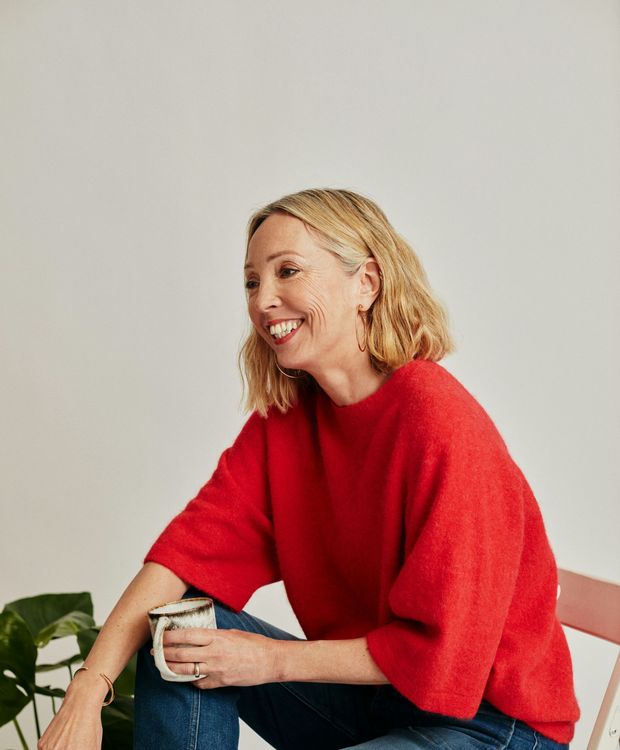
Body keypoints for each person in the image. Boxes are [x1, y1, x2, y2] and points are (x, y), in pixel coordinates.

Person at [38, 188, 580, 749]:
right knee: (178, 638)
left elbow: (446, 653)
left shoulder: (436, 416)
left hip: (495, 725)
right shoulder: (289, 421)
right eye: (252, 281)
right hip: (383, 706)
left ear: (365, 283)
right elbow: (181, 558)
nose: (263, 300)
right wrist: (88, 691)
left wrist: (271, 660)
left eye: (288, 271)